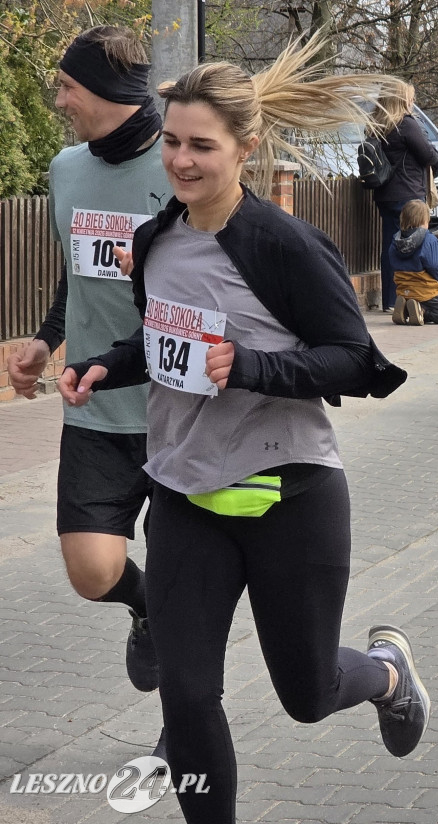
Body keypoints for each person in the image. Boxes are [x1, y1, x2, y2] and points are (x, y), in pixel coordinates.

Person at [55, 39, 428, 824]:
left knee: (309, 693)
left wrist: (252, 368)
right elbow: (161, 340)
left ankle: (389, 673)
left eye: (202, 145)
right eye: (172, 142)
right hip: (185, 494)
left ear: (245, 149)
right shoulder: (157, 239)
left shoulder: (283, 245)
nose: (181, 161)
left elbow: (360, 363)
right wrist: (101, 367)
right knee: (188, 699)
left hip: (290, 496)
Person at [5, 25, 168, 703]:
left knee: (189, 579)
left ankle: (185, 727)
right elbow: (77, 274)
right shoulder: (66, 169)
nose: (59, 101)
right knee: (92, 572)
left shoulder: (181, 166)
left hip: (179, 411)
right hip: (95, 408)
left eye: (68, 87)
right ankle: (148, 608)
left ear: (106, 91)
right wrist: (47, 342)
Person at [371, 81, 438, 312]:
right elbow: (427, 153)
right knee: (415, 245)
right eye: (410, 98)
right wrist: (437, 161)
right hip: (409, 194)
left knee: (391, 246)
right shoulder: (405, 123)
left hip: (385, 195)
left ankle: (391, 300)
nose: (412, 102)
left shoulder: (376, 124)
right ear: (401, 100)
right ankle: (414, 294)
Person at [390, 199, 438, 325]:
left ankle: (407, 307)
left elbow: (392, 262)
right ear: (424, 220)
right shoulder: (429, 240)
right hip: (425, 291)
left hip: (403, 289)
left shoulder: (396, 240)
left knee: (413, 296)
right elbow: (435, 266)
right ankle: (421, 311)